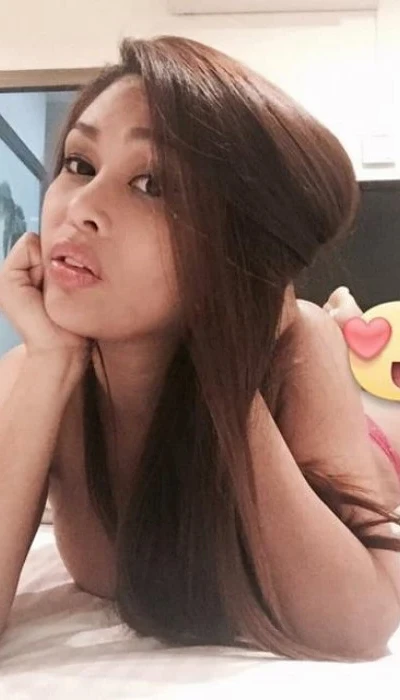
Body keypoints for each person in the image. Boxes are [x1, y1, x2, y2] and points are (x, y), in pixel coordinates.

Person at [0, 35, 399, 664]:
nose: (81, 208)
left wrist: (226, 363)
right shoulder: (36, 374)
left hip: (360, 442)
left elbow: (358, 628)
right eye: (79, 164)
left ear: (231, 245)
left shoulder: (293, 344)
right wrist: (51, 361)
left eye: (151, 183)